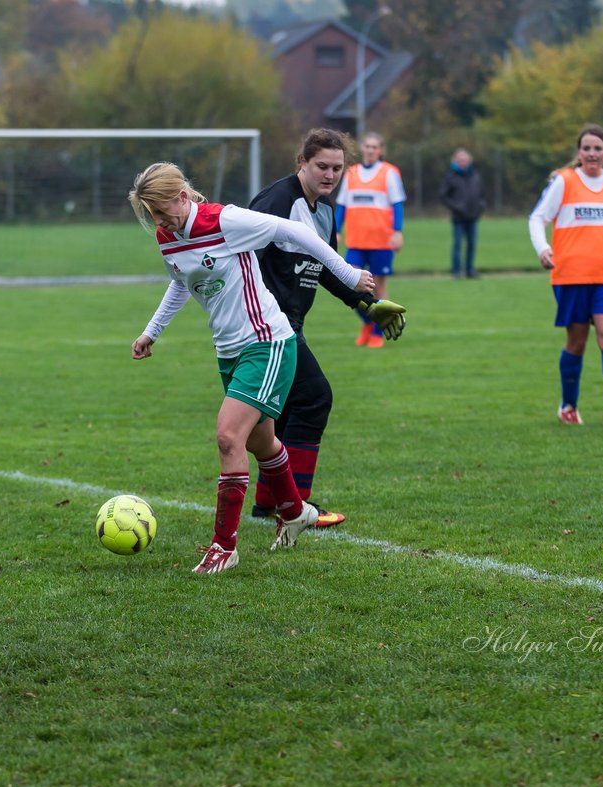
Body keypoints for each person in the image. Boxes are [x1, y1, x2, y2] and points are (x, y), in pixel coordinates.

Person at [128, 162, 375, 575]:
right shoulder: (166, 236)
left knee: (229, 436)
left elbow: (293, 231)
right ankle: (296, 512)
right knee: (261, 444)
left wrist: (348, 275)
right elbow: (180, 280)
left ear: (183, 196)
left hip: (268, 341)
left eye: (162, 210)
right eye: (152, 215)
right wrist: (151, 331)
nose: (160, 220)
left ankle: (224, 547)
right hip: (228, 351)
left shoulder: (224, 220)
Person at [248, 128, 408, 528]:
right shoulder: (276, 201)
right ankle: (296, 506)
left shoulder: (324, 211)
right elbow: (244, 262)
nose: (330, 174)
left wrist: (368, 305)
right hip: (266, 325)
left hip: (289, 325)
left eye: (337, 168)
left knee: (282, 411)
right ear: (302, 162)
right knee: (315, 398)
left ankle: (269, 503)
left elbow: (328, 269)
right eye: (322, 166)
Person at [528, 124, 603, 429]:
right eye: (586, 148)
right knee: (577, 343)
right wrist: (543, 248)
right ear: (578, 153)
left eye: (598, 148)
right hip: (570, 276)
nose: (592, 153)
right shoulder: (564, 181)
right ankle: (568, 406)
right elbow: (537, 218)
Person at [336, 132, 406, 347]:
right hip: (356, 241)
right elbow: (342, 206)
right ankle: (368, 321)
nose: (370, 150)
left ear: (381, 150)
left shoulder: (389, 173)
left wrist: (397, 231)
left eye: (375, 147)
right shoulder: (351, 173)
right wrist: (336, 231)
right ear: (362, 148)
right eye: (367, 146)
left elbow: (397, 205)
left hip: (381, 242)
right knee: (350, 287)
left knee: (379, 289)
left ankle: (376, 332)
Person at [437, 147, 485, 279]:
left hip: (473, 215)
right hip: (458, 217)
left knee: (472, 244)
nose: (463, 162)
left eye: (465, 160)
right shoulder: (450, 176)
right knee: (457, 244)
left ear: (469, 160)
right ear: (455, 161)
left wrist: (481, 206)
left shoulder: (475, 174)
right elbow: (443, 195)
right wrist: (456, 207)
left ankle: (470, 270)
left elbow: (481, 193)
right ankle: (457, 271)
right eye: (460, 160)